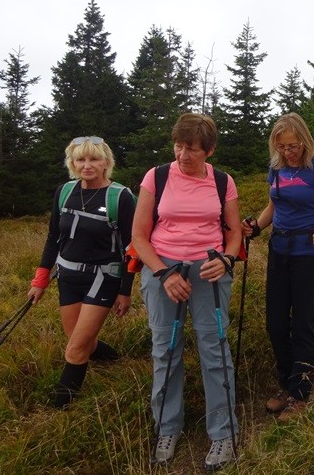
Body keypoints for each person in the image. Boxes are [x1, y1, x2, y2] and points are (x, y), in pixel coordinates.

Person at [132, 113, 242, 469]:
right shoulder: (157, 177)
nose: (183, 155)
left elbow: (235, 233)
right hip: (163, 269)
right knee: (165, 351)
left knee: (215, 350)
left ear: (208, 150)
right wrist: (163, 273)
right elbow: (138, 236)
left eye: (192, 149)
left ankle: (223, 434)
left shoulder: (223, 181)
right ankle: (167, 427)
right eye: (179, 146)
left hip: (209, 272)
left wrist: (226, 260)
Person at [241, 113, 314, 420]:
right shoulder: (277, 168)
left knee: (303, 323)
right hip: (279, 249)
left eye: (292, 145)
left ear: (304, 140)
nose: (288, 152)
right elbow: (274, 205)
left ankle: (301, 392)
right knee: (276, 323)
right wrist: (256, 226)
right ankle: (287, 382)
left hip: (307, 252)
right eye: (281, 147)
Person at [29, 136, 135, 408]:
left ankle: (58, 410)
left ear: (106, 163)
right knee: (80, 338)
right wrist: (41, 278)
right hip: (68, 276)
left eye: (94, 159)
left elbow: (132, 247)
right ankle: (118, 362)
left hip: (104, 277)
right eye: (81, 159)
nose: (87, 165)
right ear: (73, 163)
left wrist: (125, 290)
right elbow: (54, 236)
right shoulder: (64, 192)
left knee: (75, 348)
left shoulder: (120, 197)